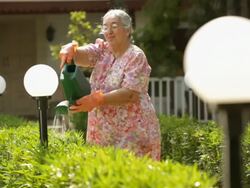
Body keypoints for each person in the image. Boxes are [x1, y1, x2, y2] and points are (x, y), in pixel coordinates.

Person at [59, 9, 161, 160]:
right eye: (105, 27)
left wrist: (96, 100)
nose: (109, 31)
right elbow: (82, 56)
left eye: (114, 26)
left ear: (128, 30)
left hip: (132, 131)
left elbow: (130, 94)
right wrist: (70, 49)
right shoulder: (102, 51)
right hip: (102, 132)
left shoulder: (136, 56)